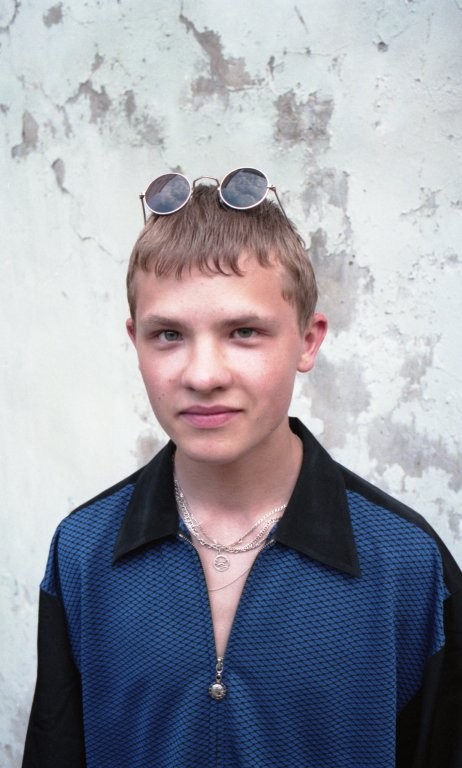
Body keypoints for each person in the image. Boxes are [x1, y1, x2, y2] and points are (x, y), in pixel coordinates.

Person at [23, 169, 462, 768]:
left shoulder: (408, 563)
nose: (204, 375)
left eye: (244, 332)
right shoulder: (81, 552)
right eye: (168, 334)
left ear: (308, 340)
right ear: (135, 342)